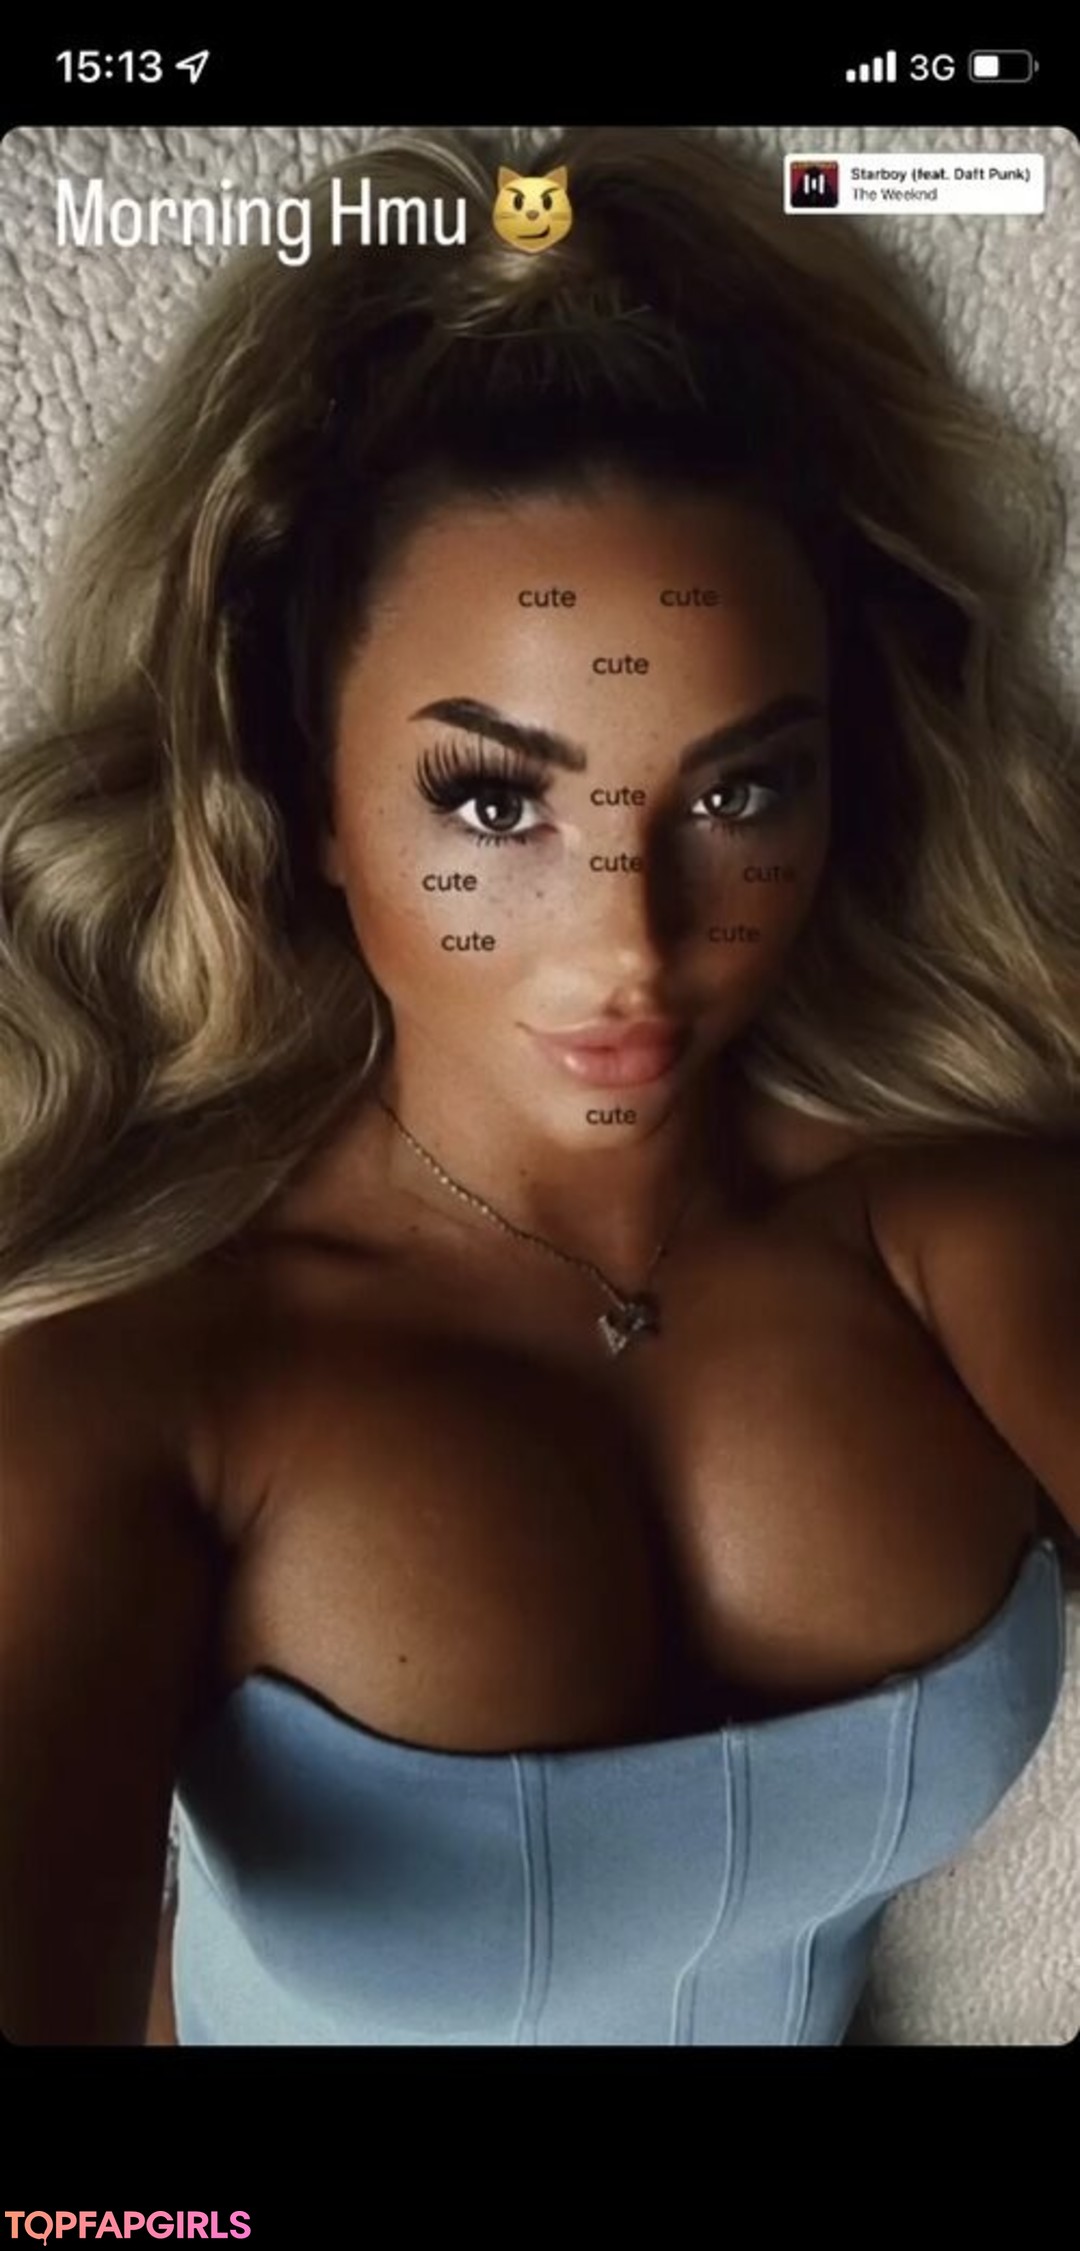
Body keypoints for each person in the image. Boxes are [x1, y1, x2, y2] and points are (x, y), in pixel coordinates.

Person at [1, 122, 1078, 2049]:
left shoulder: (959, 1236)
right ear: (302, 793)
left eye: (739, 791)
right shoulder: (143, 1388)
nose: (630, 942)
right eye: (495, 803)